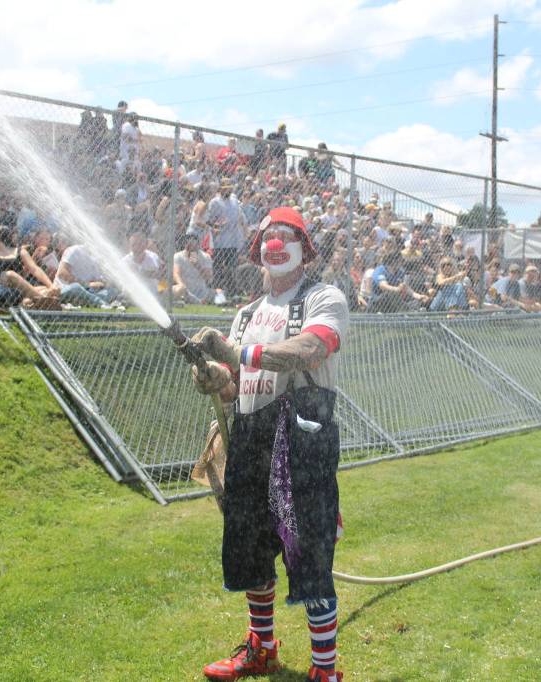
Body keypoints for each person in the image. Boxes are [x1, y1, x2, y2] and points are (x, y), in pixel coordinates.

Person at [189, 206, 347, 682]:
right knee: (250, 549)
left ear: (304, 249)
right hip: (250, 438)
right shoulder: (246, 314)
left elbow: (311, 348)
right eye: (267, 235)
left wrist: (237, 353)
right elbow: (234, 384)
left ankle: (325, 671)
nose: (274, 243)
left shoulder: (324, 298)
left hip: (302, 442)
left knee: (311, 555)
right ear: (257, 249)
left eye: (285, 235)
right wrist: (210, 374)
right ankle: (262, 650)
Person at [206, 178, 247, 293]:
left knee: (232, 268)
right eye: (225, 188)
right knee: (218, 268)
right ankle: (218, 291)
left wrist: (243, 232)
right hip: (219, 241)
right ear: (221, 189)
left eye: (229, 187)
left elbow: (240, 218)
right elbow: (208, 221)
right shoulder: (214, 202)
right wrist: (218, 224)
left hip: (232, 241)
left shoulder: (234, 201)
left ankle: (232, 291)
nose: (228, 190)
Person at [54, 241, 117, 308]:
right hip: (66, 289)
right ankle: (102, 304)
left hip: (89, 292)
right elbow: (62, 273)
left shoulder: (99, 258)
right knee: (76, 287)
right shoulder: (75, 250)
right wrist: (87, 284)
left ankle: (88, 301)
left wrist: (102, 284)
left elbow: (99, 281)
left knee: (111, 291)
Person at [172, 233, 215, 304]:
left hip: (201, 290)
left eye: (193, 244)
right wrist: (181, 284)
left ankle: (197, 301)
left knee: (220, 292)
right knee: (177, 290)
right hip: (185, 290)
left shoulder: (205, 257)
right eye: (188, 244)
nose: (191, 247)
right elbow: (176, 274)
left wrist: (197, 265)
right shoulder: (178, 256)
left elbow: (209, 278)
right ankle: (198, 302)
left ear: (198, 245)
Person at [120, 228, 162, 297]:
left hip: (154, 292)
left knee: (167, 287)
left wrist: (162, 290)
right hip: (132, 292)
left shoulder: (153, 257)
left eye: (140, 243)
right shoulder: (125, 261)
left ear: (145, 245)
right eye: (134, 244)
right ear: (130, 246)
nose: (137, 246)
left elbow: (161, 276)